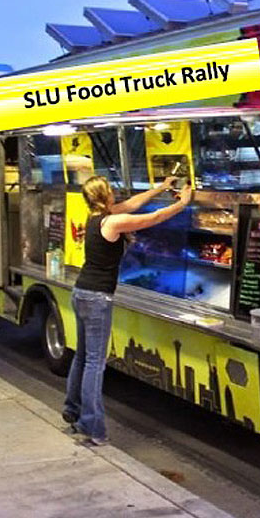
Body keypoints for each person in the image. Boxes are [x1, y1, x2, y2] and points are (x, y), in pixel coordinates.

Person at [62, 174, 191, 445]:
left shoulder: (98, 217)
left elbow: (133, 203)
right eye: (110, 190)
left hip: (81, 292)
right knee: (95, 363)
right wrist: (183, 203)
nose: (114, 194)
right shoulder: (113, 221)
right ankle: (92, 425)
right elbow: (151, 219)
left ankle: (72, 409)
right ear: (104, 195)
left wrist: (161, 188)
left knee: (82, 356)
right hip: (97, 298)